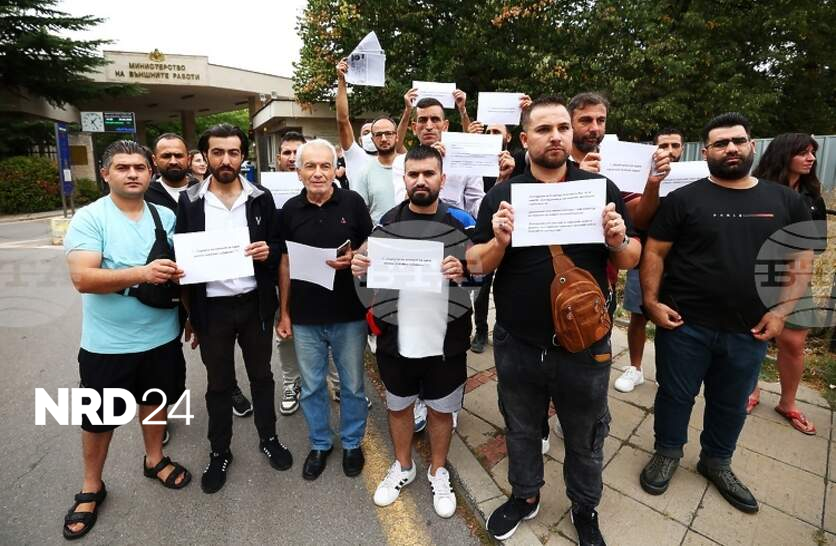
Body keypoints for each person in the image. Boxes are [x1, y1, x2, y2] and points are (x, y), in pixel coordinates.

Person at [467, 96, 640, 544]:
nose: (556, 136)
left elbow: (630, 258)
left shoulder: (599, 188)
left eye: (563, 127)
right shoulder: (502, 196)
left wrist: (618, 240)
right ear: (525, 140)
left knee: (586, 435)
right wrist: (499, 241)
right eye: (544, 129)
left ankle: (584, 508)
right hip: (519, 343)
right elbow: (476, 263)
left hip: (584, 345)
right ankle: (525, 496)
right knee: (521, 427)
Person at [639, 113, 813, 514]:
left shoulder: (787, 201)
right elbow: (655, 252)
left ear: (752, 146)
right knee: (674, 395)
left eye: (738, 140)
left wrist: (782, 312)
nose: (730, 148)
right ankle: (667, 451)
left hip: (749, 329)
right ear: (706, 153)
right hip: (684, 325)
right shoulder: (684, 199)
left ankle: (717, 461)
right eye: (720, 143)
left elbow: (801, 261)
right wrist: (650, 302)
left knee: (731, 402)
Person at [62, 140, 192, 540]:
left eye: (139, 167)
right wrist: (141, 273)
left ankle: (155, 459)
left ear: (150, 172)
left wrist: (191, 314)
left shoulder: (165, 216)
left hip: (162, 337)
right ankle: (91, 486)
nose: (132, 174)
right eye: (122, 167)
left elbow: (184, 269)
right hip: (108, 344)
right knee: (99, 419)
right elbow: (83, 277)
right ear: (106, 174)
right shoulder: (90, 218)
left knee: (155, 401)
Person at [352, 145, 476, 517]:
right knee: (399, 405)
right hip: (397, 335)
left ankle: (438, 470)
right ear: (404, 178)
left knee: (440, 410)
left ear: (442, 178)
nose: (420, 181)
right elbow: (368, 274)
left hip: (446, 338)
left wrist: (464, 271)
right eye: (413, 174)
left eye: (428, 174)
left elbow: (483, 271)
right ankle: (403, 466)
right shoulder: (386, 223)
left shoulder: (462, 222)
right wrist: (360, 268)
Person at [176, 123, 291, 494]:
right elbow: (182, 257)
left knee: (262, 376)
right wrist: (190, 316)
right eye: (217, 152)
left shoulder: (261, 197)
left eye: (233, 152)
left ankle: (269, 438)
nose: (226, 160)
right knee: (219, 383)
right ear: (205, 156)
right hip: (212, 310)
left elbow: (278, 247)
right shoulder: (190, 201)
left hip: (254, 304)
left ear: (243, 156)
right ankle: (219, 450)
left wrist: (268, 251)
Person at [276, 138, 374, 481]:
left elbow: (370, 241)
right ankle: (320, 443)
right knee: (312, 386)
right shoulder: (288, 210)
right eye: (310, 166)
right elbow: (284, 263)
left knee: (352, 385)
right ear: (298, 171)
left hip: (349, 313)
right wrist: (284, 312)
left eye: (325, 166)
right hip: (305, 316)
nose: (318, 173)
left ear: (335, 170)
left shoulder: (353, 202)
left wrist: (357, 255)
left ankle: (351, 443)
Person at [147, 133, 255, 422]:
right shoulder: (146, 194)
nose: (173, 160)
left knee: (215, 353)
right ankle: (158, 416)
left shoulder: (205, 189)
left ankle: (230, 388)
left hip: (202, 287)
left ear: (190, 158)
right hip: (160, 288)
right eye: (166, 156)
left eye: (178, 155)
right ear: (155, 161)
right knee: (162, 358)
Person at [745, 133, 827, 434]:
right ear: (784, 155)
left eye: (813, 153)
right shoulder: (756, 189)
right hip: (758, 273)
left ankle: (788, 403)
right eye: (803, 152)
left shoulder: (812, 197)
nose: (811, 158)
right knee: (754, 336)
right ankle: (750, 391)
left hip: (795, 277)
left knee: (793, 342)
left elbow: (818, 245)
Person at [613, 128, 681, 394]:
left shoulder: (694, 177)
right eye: (664, 146)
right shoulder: (639, 178)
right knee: (638, 315)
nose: (670, 151)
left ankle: (668, 372)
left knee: (675, 318)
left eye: (675, 145)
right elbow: (640, 219)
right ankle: (636, 368)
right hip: (644, 258)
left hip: (681, 261)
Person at [272, 131, 308, 416]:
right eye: (287, 152)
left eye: (298, 152)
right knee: (285, 330)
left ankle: (337, 384)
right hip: (280, 270)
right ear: (278, 158)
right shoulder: (263, 192)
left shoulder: (325, 184)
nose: (292, 157)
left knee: (326, 329)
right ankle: (291, 382)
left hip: (316, 271)